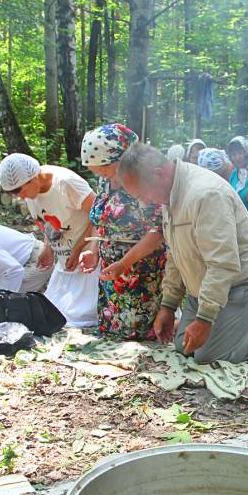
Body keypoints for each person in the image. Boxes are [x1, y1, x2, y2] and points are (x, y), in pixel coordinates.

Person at [117, 142, 248, 363]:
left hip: (240, 283)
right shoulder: (169, 192)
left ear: (159, 174)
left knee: (208, 356)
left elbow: (223, 263)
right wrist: (168, 305)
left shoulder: (206, 194)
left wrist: (205, 319)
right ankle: (234, 323)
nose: (144, 202)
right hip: (203, 286)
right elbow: (176, 254)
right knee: (184, 346)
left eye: (142, 194)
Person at [78, 123, 166, 339]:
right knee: (112, 332)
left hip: (141, 269)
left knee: (138, 335)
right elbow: (102, 222)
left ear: (121, 159)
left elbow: (157, 232)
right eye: (94, 170)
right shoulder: (106, 181)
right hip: (112, 269)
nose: (99, 173)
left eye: (103, 168)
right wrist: (93, 250)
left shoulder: (144, 181)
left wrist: (124, 263)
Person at [0, 153, 99, 327]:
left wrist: (84, 248)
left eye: (20, 191)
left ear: (33, 178)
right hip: (65, 263)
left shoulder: (65, 183)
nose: (20, 197)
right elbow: (47, 222)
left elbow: (100, 216)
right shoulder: (31, 194)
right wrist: (48, 248)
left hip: (88, 261)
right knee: (52, 315)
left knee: (78, 317)